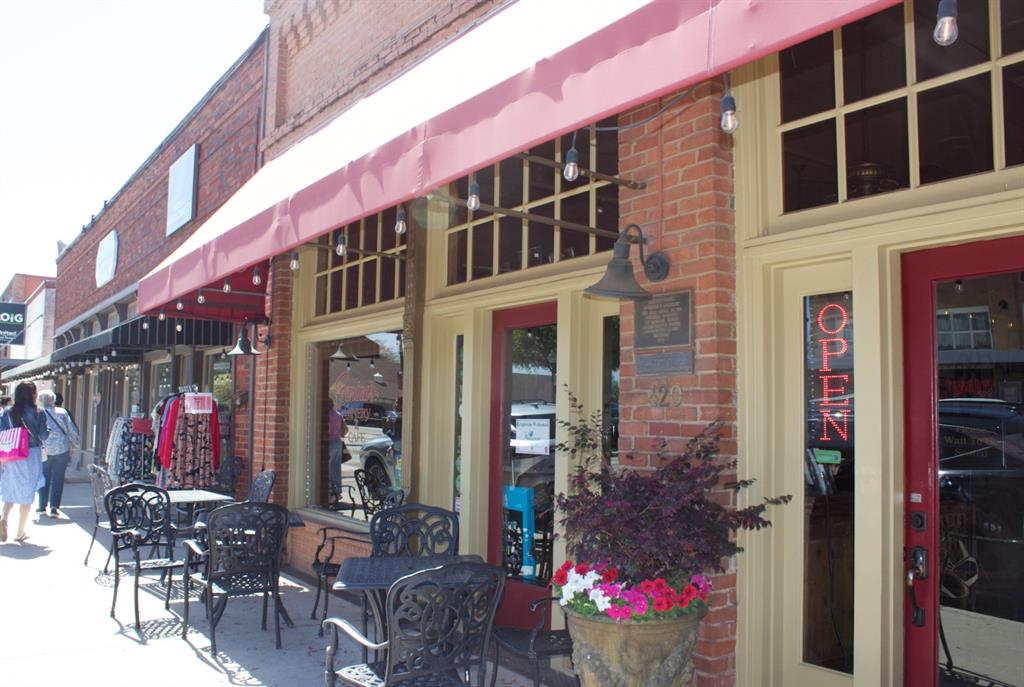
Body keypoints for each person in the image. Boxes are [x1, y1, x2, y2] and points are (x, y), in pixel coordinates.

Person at [0, 382, 49, 543]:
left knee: (11, 488)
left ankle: (4, 519)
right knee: (27, 493)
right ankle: (20, 531)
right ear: (33, 394)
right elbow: (43, 435)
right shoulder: (38, 412)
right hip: (31, 454)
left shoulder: (8, 412)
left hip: (12, 454)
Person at [37, 390, 79, 518]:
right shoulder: (62, 412)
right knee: (58, 478)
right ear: (53, 399)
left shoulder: (39, 413)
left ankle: (42, 506)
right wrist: (75, 443)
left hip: (44, 449)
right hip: (62, 448)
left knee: (44, 477)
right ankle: (54, 506)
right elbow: (70, 429)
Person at [326, 398, 347, 494]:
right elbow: (345, 430)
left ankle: (330, 490)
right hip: (338, 442)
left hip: (329, 442)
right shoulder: (339, 415)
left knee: (328, 468)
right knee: (336, 468)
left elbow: (328, 430)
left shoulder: (327, 415)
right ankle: (337, 490)